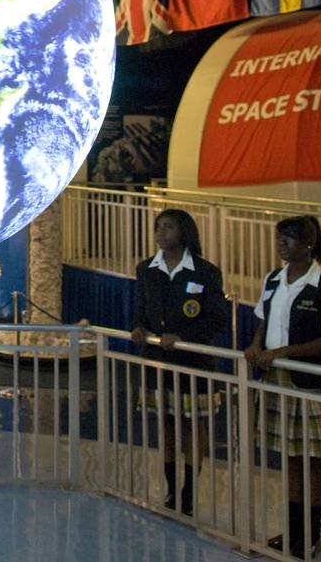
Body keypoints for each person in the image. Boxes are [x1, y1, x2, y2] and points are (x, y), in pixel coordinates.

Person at [244, 215, 321, 560]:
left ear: (309, 243)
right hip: (276, 380)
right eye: (279, 237)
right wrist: (257, 347)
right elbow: (264, 318)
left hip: (310, 384)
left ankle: (311, 534)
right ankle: (293, 533)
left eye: (289, 238)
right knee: (290, 459)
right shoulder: (273, 279)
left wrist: (284, 353)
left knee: (312, 460)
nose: (282, 244)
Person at [130, 208, 226, 518]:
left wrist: (182, 336)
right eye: (158, 227)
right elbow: (142, 306)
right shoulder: (146, 269)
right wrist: (140, 327)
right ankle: (172, 489)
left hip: (193, 361)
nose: (160, 233)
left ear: (183, 232)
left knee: (191, 423)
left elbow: (214, 318)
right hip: (158, 360)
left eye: (167, 228)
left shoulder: (205, 272)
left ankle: (189, 491)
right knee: (167, 421)